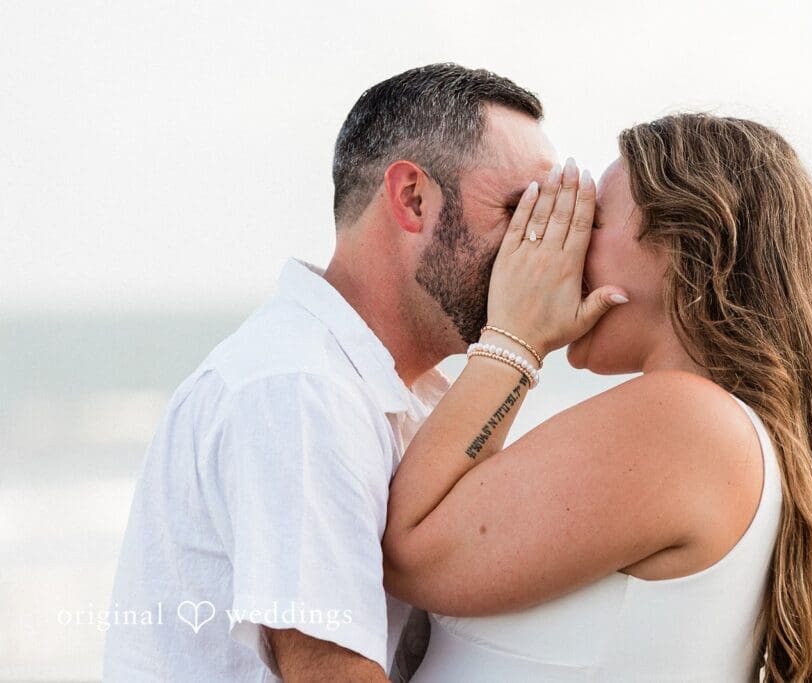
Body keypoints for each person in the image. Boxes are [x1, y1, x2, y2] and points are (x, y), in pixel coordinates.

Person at [381, 113, 812, 681]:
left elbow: (410, 550)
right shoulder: (718, 432)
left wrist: (516, 336)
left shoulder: (688, 422)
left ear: (683, 245)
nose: (556, 246)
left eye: (586, 219)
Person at [102, 63, 559, 682]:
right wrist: (517, 341)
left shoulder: (386, 388)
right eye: (518, 209)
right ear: (412, 199)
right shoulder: (299, 388)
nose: (543, 243)